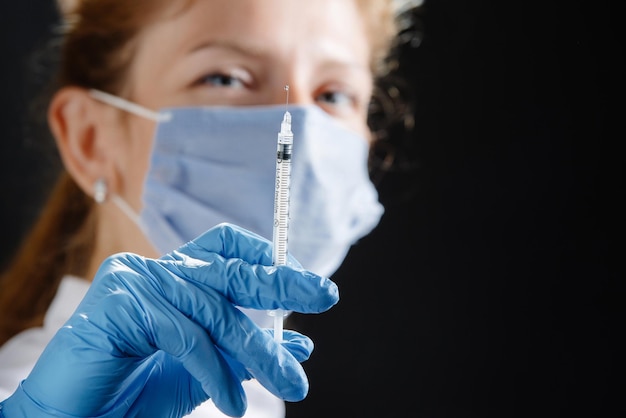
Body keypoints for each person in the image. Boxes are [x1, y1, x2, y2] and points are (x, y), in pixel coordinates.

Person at [0, 0, 417, 416]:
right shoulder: (37, 397)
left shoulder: (254, 395)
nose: (301, 123)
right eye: (226, 78)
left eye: (334, 94)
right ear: (90, 138)